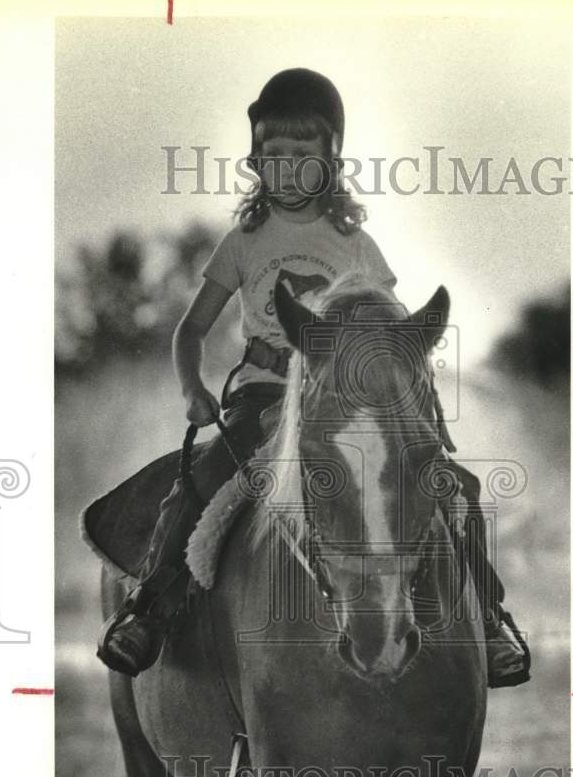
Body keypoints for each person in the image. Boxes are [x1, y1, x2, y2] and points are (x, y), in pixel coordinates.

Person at [97, 67, 530, 688]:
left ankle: (487, 618)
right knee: (205, 482)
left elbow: (397, 340)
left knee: (453, 487)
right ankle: (150, 610)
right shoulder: (243, 242)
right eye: (274, 155)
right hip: (264, 395)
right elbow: (189, 330)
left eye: (304, 155)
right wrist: (193, 388)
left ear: (330, 159)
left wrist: (420, 414)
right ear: (256, 162)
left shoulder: (354, 244)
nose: (289, 169)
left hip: (344, 400)